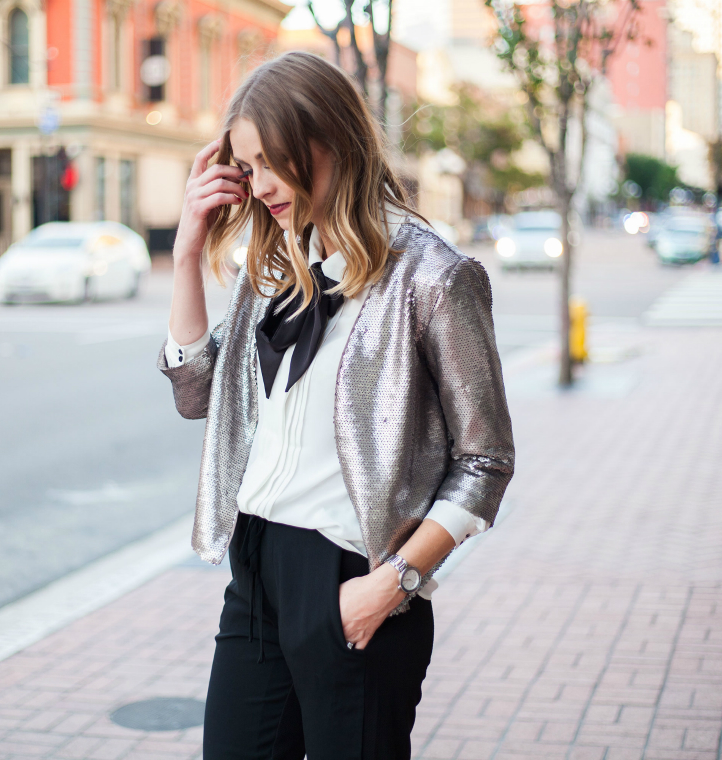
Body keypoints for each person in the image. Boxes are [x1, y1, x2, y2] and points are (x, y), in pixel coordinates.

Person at [157, 52, 514, 759]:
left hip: (356, 579)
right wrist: (186, 253)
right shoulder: (277, 267)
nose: (257, 186)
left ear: (328, 142)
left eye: (269, 162)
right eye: (245, 166)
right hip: (256, 570)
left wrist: (393, 584)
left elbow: (486, 460)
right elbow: (195, 394)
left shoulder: (435, 277)